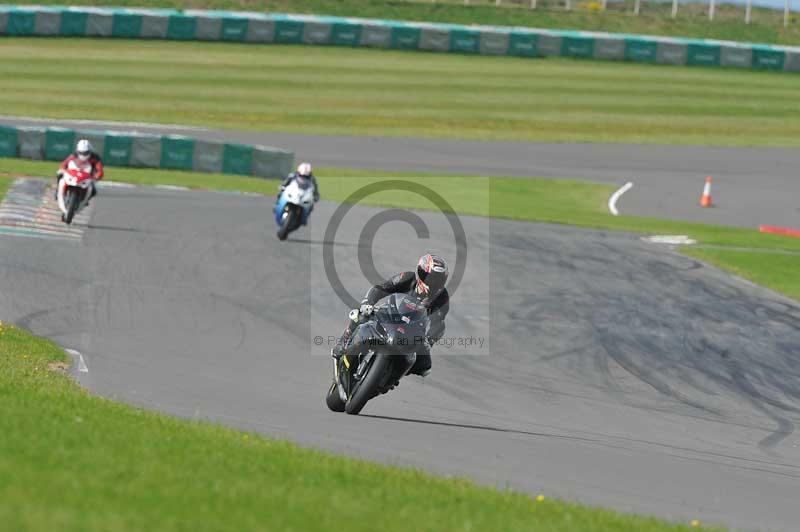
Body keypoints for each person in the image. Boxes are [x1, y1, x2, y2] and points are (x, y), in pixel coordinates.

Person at [331, 254, 450, 377]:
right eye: (429, 277)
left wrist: (429, 340)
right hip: (389, 314)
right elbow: (382, 288)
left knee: (425, 367)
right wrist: (368, 303)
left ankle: (392, 376)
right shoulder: (408, 278)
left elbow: (439, 323)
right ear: (419, 272)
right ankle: (343, 342)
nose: (432, 282)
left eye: (437, 280)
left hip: (413, 330)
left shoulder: (442, 297)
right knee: (360, 316)